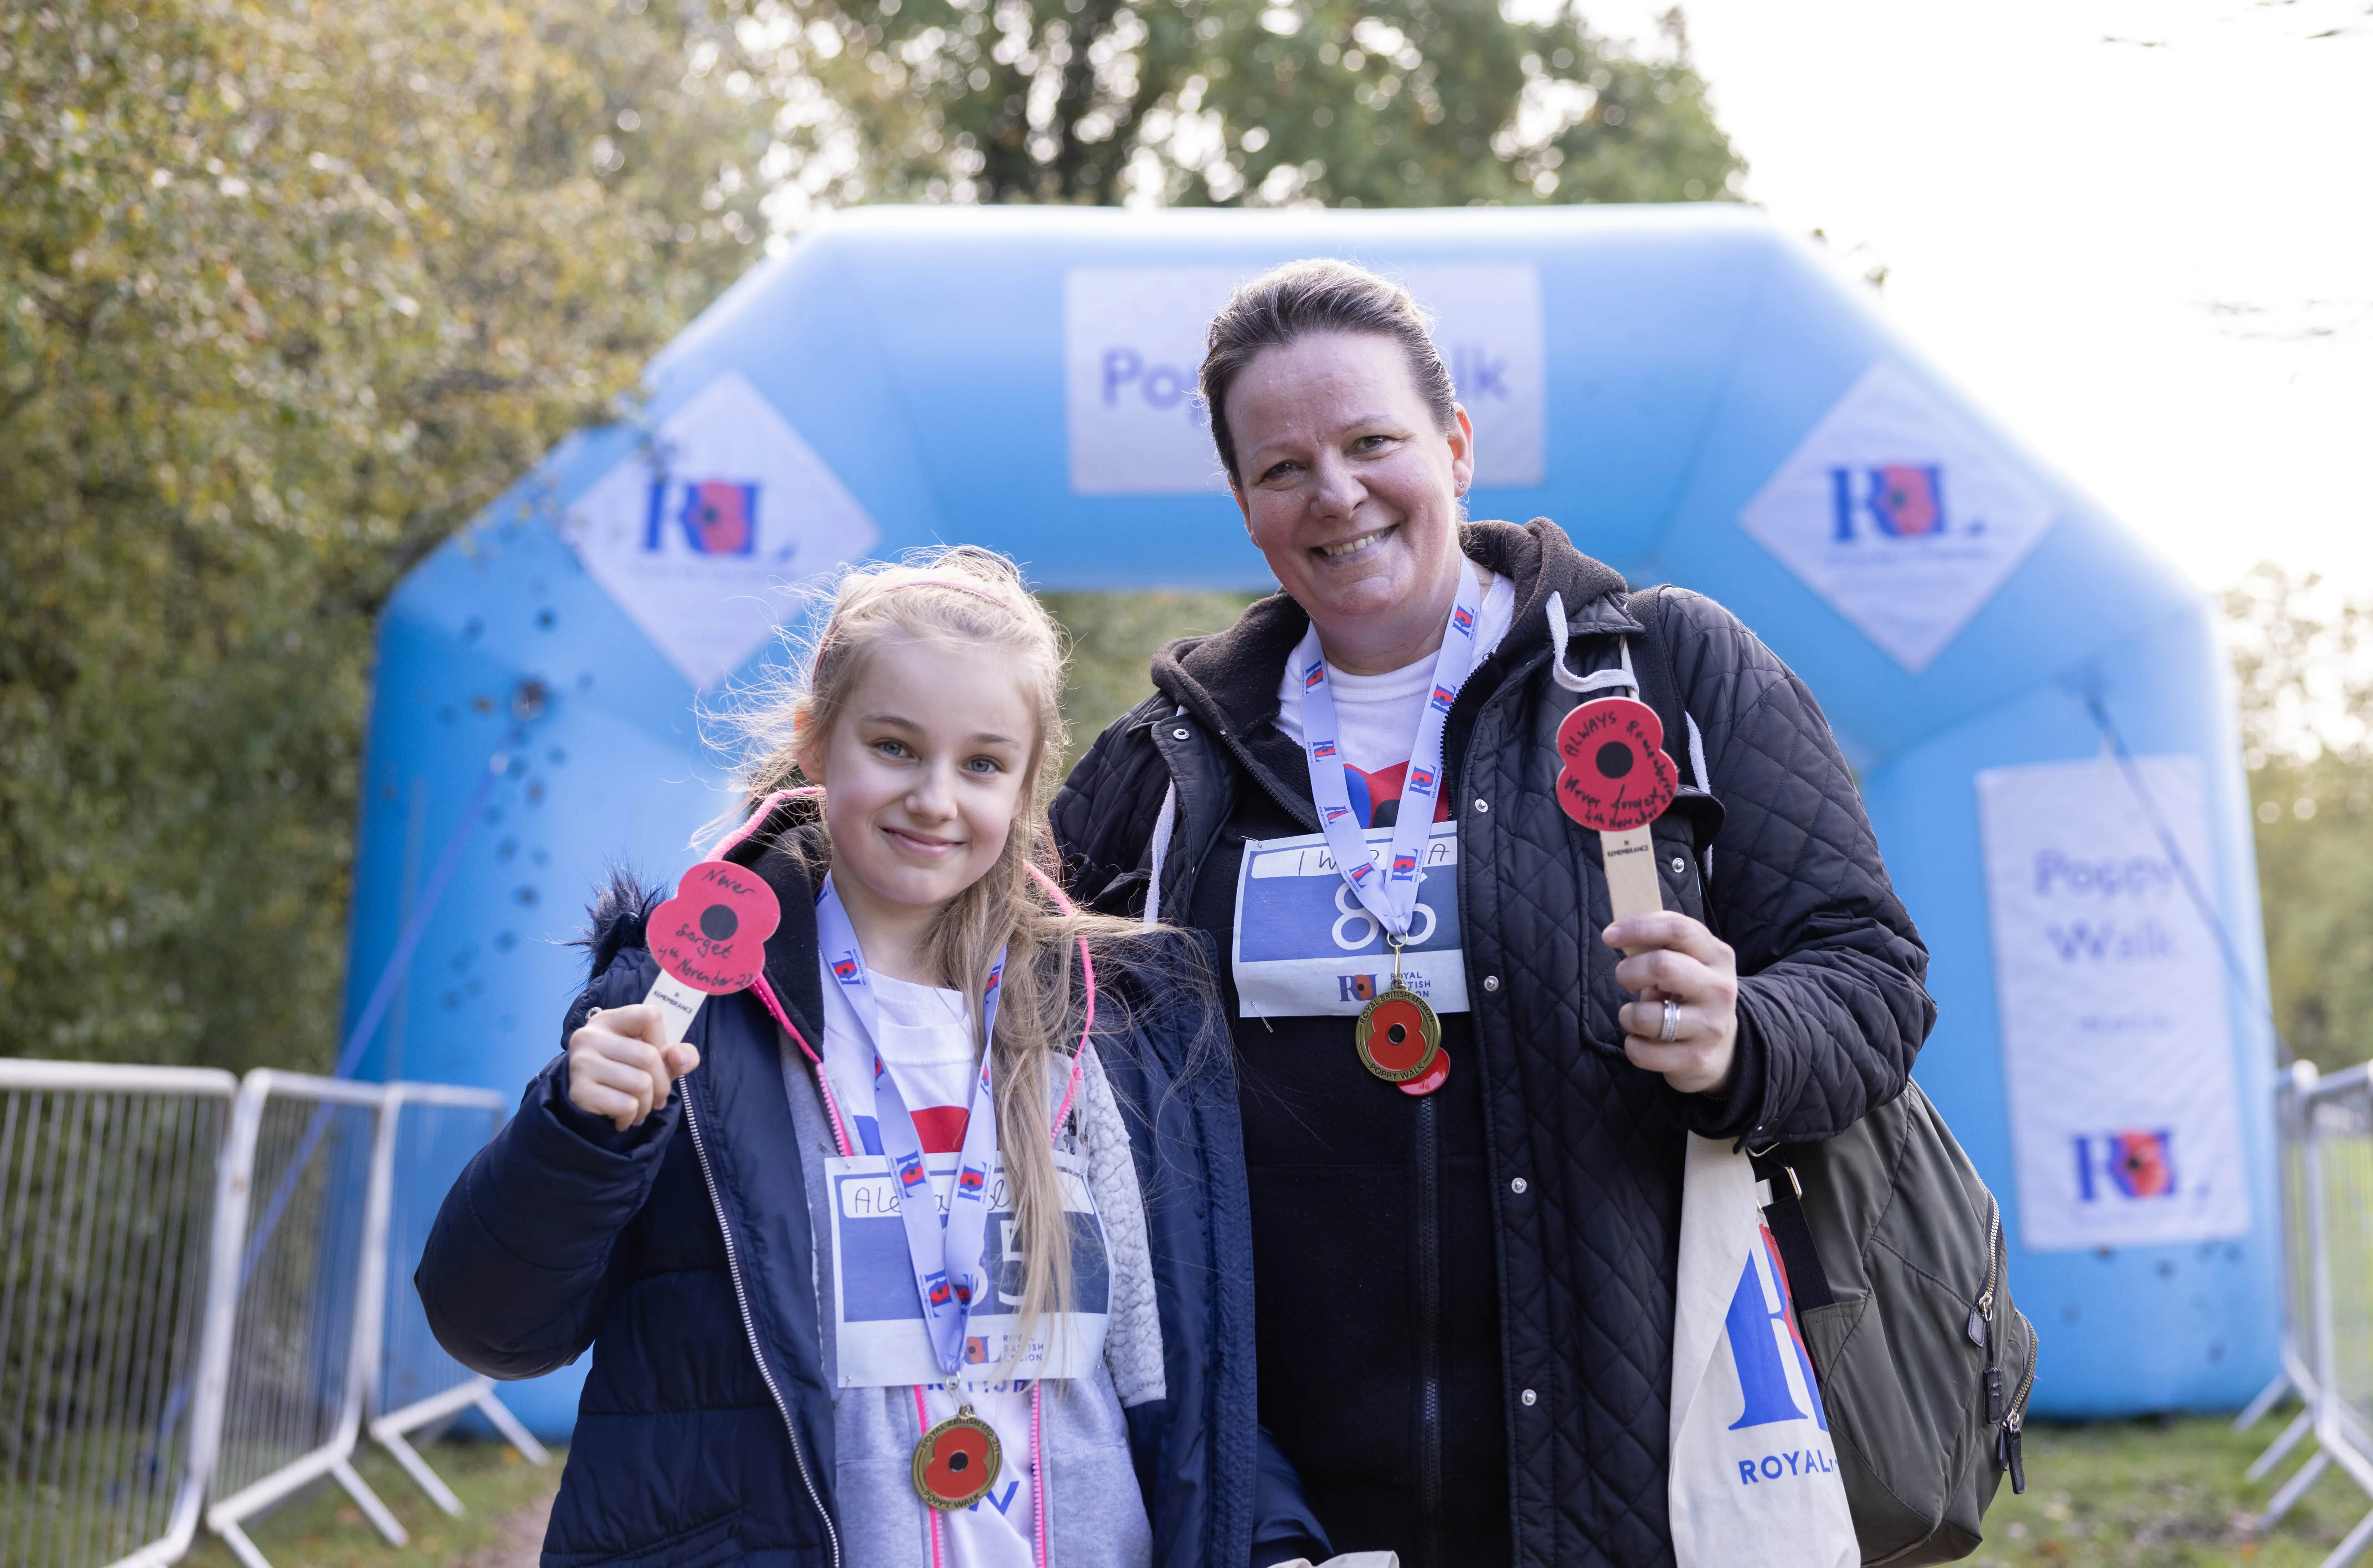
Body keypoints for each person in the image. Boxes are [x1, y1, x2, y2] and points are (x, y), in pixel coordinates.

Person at [1051, 262, 1937, 1568]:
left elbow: (1870, 973)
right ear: (1245, 507)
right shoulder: (1168, 759)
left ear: (1456, 447)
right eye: (1284, 467)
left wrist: (1740, 1035)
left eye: (1372, 442)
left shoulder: (1665, 669)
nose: (1336, 493)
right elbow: (974, 947)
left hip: (1628, 1466)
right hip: (1295, 1497)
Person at [418, 548, 1313, 1567]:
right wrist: (579, 1135)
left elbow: (1185, 1378)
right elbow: (494, 1328)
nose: (934, 798)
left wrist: (1275, 1541)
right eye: (894, 747)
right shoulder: (682, 1007)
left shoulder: (1110, 1026)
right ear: (817, 741)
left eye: (982, 765)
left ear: (1027, 786)